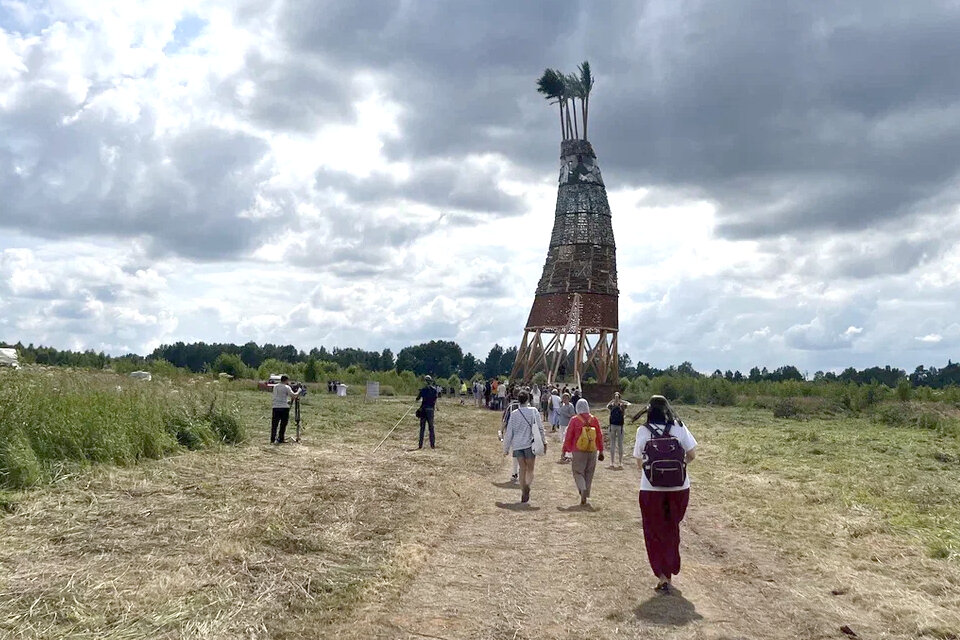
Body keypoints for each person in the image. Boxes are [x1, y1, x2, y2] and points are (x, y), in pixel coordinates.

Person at [633, 395, 698, 593]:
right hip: (679, 488)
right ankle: (670, 569)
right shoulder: (679, 426)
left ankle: (662, 575)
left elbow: (638, 462)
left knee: (653, 531)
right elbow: (692, 454)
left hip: (651, 489)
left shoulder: (643, 430)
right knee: (671, 529)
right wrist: (676, 467)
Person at [501, 391, 546, 503]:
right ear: (528, 400)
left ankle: (523, 489)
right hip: (530, 444)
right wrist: (544, 441)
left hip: (517, 445)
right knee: (530, 469)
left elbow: (509, 432)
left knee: (522, 468)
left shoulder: (514, 413)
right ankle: (527, 486)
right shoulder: (533, 411)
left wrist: (506, 448)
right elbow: (540, 428)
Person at [562, 399, 604, 505]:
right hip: (592, 449)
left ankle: (582, 489)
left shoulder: (574, 420)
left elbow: (568, 436)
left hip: (578, 450)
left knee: (578, 471)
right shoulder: (594, 419)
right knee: (589, 472)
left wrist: (565, 450)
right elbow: (599, 435)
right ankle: (586, 491)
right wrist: (601, 450)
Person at [270, 375, 303, 444]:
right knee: (283, 424)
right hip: (284, 408)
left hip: (275, 407)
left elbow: (279, 396)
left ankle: (272, 439)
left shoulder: (275, 387)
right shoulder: (286, 387)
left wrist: (287, 401)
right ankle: (281, 438)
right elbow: (294, 395)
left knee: (274, 424)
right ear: (286, 380)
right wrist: (299, 391)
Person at [606, 392, 632, 468]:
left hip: (612, 426)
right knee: (620, 445)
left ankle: (612, 462)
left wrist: (613, 400)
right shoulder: (623, 406)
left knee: (612, 444)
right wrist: (621, 401)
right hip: (620, 426)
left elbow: (606, 406)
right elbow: (629, 404)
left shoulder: (611, 405)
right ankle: (620, 462)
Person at [416, 375, 439, 449]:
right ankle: (432, 445)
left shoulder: (423, 390)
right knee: (431, 428)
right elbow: (435, 400)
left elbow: (417, 399)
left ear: (425, 381)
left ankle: (420, 445)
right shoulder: (434, 390)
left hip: (423, 410)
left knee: (422, 428)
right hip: (431, 410)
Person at [557, 393, 577, 462]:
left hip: (567, 425)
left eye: (566, 398)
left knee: (567, 440)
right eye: (563, 398)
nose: (564, 400)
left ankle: (569, 455)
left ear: (569, 399)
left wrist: (565, 414)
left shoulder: (570, 406)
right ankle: (564, 454)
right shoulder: (562, 405)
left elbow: (573, 415)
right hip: (561, 424)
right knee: (562, 439)